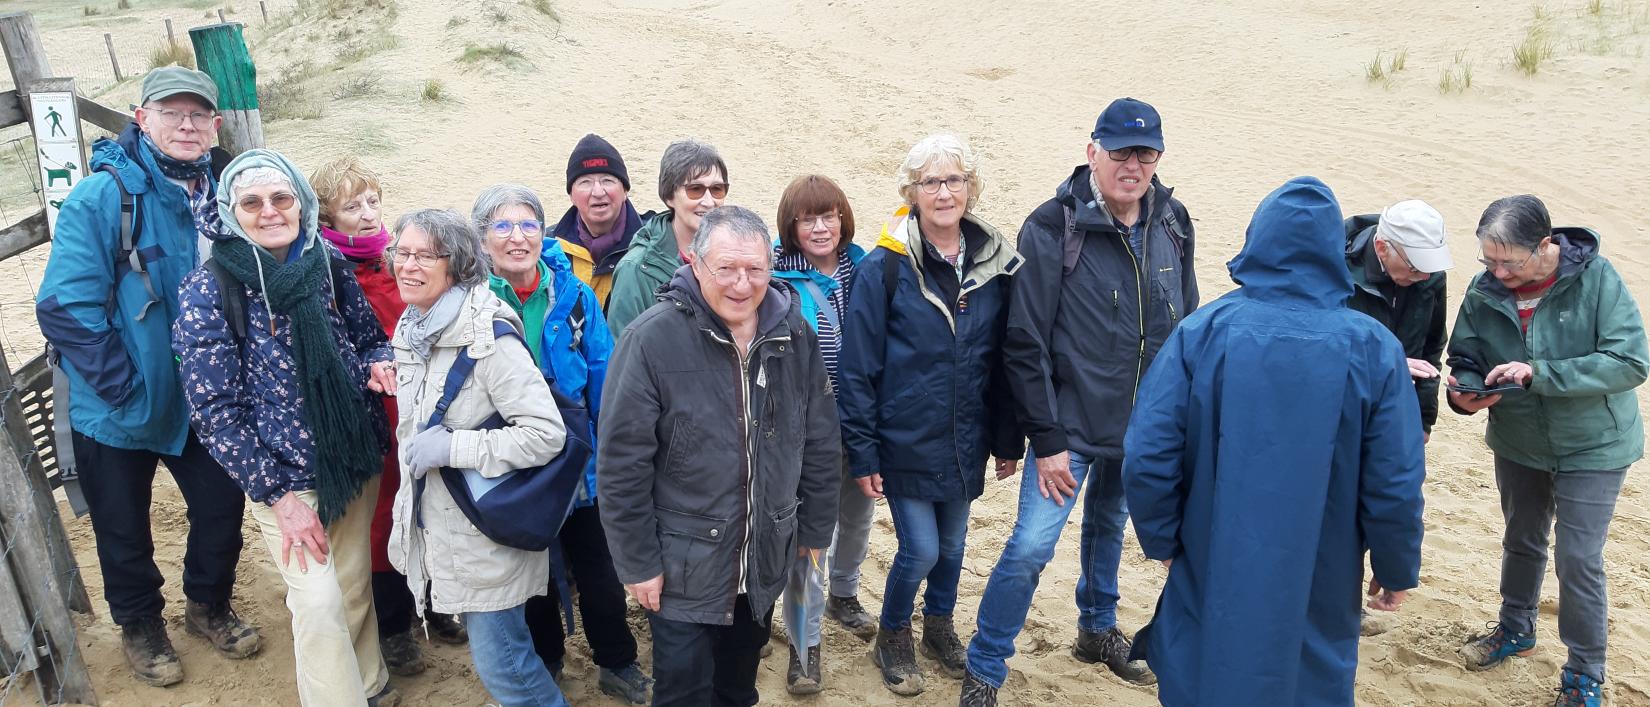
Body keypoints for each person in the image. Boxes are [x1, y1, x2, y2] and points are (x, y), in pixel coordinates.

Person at [1121, 176, 1426, 707]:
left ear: (1257, 238)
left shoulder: (1205, 330)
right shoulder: (1374, 347)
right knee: (1306, 675)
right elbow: (1396, 480)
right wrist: (1395, 566)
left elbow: (1147, 455)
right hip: (1321, 563)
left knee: (1207, 666)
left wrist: (1163, 537)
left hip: (1214, 545)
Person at [963, 97, 1196, 703]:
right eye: (1119, 153)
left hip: (1142, 426)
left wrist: (1176, 423)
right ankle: (985, 667)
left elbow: (1186, 330)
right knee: (1031, 548)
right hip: (1067, 427)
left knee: (1108, 530)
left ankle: (1096, 632)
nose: (1133, 166)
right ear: (1092, 152)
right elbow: (1025, 341)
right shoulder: (1050, 226)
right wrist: (1046, 439)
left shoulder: (1174, 223)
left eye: (1146, 154)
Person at [35, 66, 260, 688]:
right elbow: (64, 307)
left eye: (199, 115)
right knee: (121, 525)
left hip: (207, 400)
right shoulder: (102, 197)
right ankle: (140, 625)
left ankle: (208, 606)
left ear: (216, 126)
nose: (186, 125)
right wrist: (128, 389)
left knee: (221, 510)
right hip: (117, 403)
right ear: (142, 118)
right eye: (171, 113)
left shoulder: (230, 193)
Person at [172, 149, 399, 706]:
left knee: (350, 588)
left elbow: (367, 334)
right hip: (283, 477)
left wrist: (377, 360)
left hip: (351, 454)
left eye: (282, 198)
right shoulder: (209, 289)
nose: (270, 211)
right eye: (252, 202)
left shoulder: (325, 262)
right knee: (317, 602)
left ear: (301, 201)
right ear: (230, 210)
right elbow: (214, 410)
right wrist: (277, 497)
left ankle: (368, 682)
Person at [598, 206, 840, 707]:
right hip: (682, 565)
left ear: (771, 267)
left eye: (754, 269)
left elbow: (818, 442)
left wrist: (813, 536)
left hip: (762, 558)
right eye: (725, 268)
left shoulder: (795, 337)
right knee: (684, 691)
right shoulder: (649, 339)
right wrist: (639, 562)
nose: (741, 284)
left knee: (737, 688)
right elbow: (622, 466)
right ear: (694, 262)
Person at [836, 134, 1024, 697]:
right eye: (931, 182)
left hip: (965, 435)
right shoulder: (884, 268)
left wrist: (1007, 439)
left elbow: (1005, 359)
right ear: (912, 193)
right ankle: (893, 632)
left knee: (956, 546)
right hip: (904, 437)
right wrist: (863, 450)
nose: (944, 192)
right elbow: (857, 369)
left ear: (971, 188)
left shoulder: (995, 263)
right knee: (921, 548)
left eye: (954, 180)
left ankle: (938, 625)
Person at [1449, 195, 1646, 707]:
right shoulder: (1484, 287)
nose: (1497, 271)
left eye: (1508, 262)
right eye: (1487, 260)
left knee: (1578, 558)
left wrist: (1540, 374)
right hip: (1518, 439)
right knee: (1522, 539)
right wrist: (1464, 394)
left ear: (1544, 245)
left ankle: (1585, 672)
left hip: (1594, 443)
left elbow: (1629, 361)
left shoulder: (1598, 279)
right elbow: (1466, 353)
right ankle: (1515, 629)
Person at [472, 184, 653, 703]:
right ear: (483, 240)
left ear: (543, 231)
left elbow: (604, 374)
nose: (517, 237)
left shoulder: (570, 294)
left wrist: (607, 455)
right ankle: (547, 660)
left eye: (528, 224)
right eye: (502, 226)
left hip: (579, 465)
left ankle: (616, 661)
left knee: (600, 571)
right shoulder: (473, 303)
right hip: (512, 466)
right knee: (532, 575)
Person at [385, 208, 571, 707]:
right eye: (401, 252)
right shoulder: (414, 328)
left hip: (486, 536)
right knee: (508, 658)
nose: (408, 265)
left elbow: (545, 434)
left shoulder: (490, 340)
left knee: (507, 668)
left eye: (425, 255)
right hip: (450, 530)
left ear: (458, 264)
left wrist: (453, 446)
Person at [310, 157, 467, 677]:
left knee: (432, 503)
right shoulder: (327, 272)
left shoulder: (396, 260)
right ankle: (395, 625)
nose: (369, 214)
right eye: (352, 206)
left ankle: (438, 603)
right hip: (373, 414)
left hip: (422, 407)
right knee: (383, 520)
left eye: (374, 201)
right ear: (328, 217)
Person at [770, 174, 872, 694]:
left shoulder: (871, 268)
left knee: (857, 516)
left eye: (828, 215)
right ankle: (804, 646)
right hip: (806, 430)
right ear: (791, 225)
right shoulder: (776, 279)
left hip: (864, 424)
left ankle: (847, 592)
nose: (819, 227)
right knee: (811, 538)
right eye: (807, 218)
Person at [1342, 199, 1451, 639]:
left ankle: (1349, 601)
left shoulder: (1428, 275)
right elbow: (1314, 341)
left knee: (1381, 499)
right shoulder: (1335, 265)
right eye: (1415, 268)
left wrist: (1423, 419)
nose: (1424, 277)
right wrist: (1382, 360)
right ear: (1383, 248)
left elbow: (1430, 348)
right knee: (1338, 507)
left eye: (1430, 267)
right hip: (1340, 408)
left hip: (1393, 409)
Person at [605, 139, 729, 334]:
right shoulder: (636, 270)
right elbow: (623, 354)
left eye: (717, 189)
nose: (709, 201)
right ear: (669, 196)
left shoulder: (736, 259)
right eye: (695, 189)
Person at [552, 134, 648, 307]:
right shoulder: (550, 249)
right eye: (585, 182)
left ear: (625, 190)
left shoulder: (652, 244)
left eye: (607, 180)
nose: (597, 192)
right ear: (571, 195)